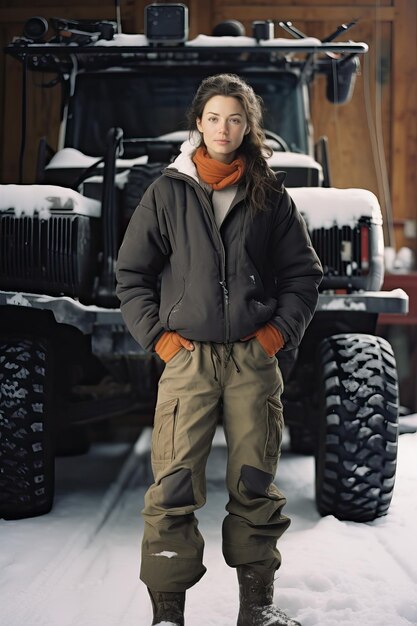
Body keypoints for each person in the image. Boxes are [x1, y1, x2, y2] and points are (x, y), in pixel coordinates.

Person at [116, 73, 323, 626]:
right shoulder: (168, 190)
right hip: (188, 361)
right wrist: (161, 340)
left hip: (252, 362)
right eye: (213, 117)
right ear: (198, 123)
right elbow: (132, 273)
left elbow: (303, 273)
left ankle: (257, 609)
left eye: (235, 118)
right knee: (174, 486)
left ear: (248, 125)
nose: (223, 128)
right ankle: (167, 616)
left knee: (256, 483)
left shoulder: (269, 193)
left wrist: (275, 337)